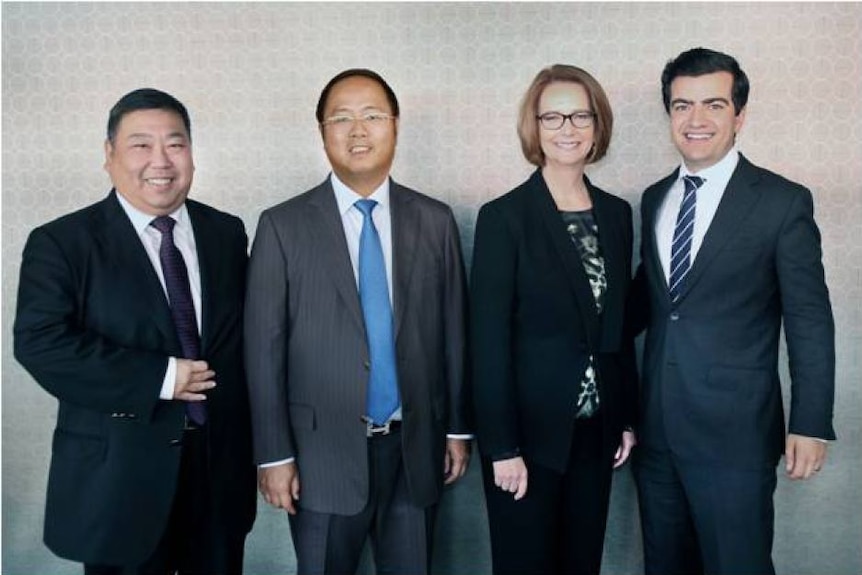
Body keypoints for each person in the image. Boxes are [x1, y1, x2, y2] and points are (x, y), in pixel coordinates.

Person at [13, 88, 257, 574]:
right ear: (109, 156)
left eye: (176, 144)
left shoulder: (225, 232)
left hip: (217, 475)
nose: (160, 161)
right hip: (118, 482)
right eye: (140, 145)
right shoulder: (62, 242)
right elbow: (40, 342)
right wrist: (163, 378)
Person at [244, 68, 471, 575]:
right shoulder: (282, 226)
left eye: (372, 116)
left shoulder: (434, 221)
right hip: (318, 457)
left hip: (416, 450)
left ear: (395, 125)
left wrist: (456, 428)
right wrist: (273, 455)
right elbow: (263, 350)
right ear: (322, 132)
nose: (358, 130)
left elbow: (454, 333)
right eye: (340, 118)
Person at [631, 47, 836, 575]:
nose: (695, 119)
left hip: (735, 438)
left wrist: (811, 422)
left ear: (739, 115)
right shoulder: (653, 198)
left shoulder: (782, 202)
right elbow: (650, 303)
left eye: (713, 104)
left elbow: (809, 317)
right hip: (656, 433)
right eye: (682, 106)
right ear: (669, 115)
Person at [470, 64, 638, 575]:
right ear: (535, 127)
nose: (568, 128)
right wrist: (501, 447)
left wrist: (626, 416)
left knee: (581, 564)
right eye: (553, 116)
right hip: (528, 439)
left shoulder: (616, 213)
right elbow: (488, 341)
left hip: (597, 432)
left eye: (580, 115)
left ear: (597, 125)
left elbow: (619, 324)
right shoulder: (504, 217)